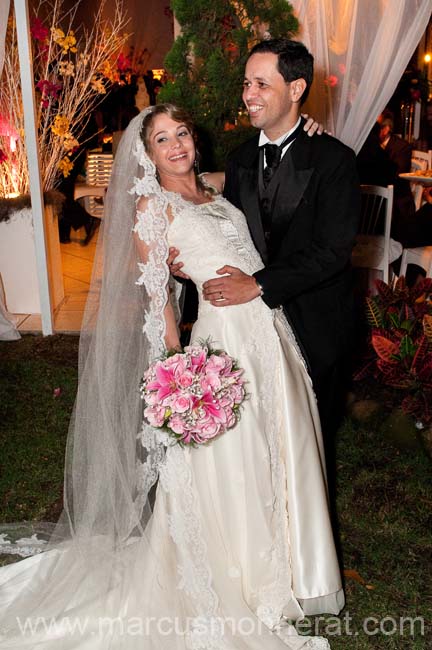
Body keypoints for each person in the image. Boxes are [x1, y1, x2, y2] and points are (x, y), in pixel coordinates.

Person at [0, 104, 342, 649]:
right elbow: (156, 296)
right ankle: (238, 578)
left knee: (279, 447)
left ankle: (290, 571)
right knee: (230, 459)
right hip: (220, 344)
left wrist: (307, 132)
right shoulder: (151, 208)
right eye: (162, 140)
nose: (177, 145)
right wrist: (177, 366)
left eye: (181, 133)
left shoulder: (213, 187)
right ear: (147, 153)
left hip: (270, 334)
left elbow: (274, 158)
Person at [171, 39, 360, 490]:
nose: (248, 94)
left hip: (315, 325)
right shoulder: (239, 160)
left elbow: (332, 251)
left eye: (261, 84)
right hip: (251, 331)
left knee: (310, 448)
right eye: (245, 83)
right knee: (258, 442)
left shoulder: (334, 160)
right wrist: (190, 264)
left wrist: (257, 284)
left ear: (295, 89)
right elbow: (230, 232)